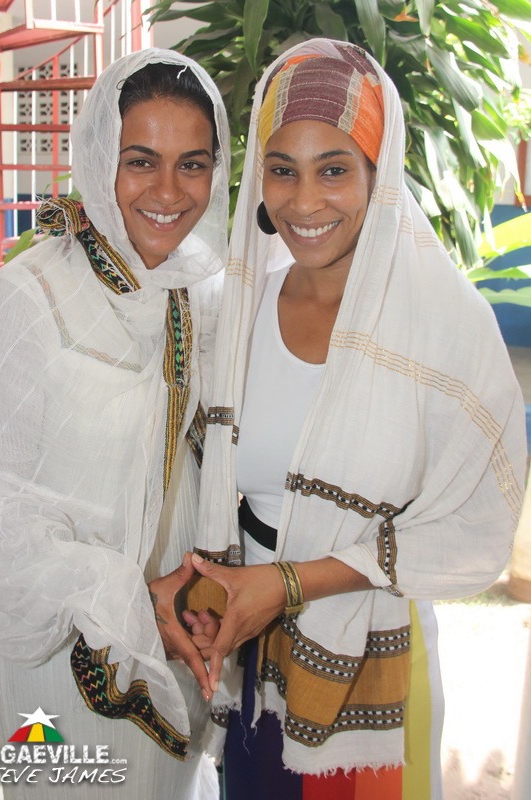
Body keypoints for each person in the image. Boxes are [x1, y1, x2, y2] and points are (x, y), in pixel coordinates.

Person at [185, 39, 527, 799]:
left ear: (379, 172)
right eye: (283, 170)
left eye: (333, 169)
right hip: (252, 657)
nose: (304, 202)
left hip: (373, 667)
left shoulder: (440, 325)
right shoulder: (237, 310)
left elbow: (472, 526)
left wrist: (291, 584)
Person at [0, 49, 229, 798]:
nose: (168, 191)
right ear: (99, 156)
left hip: (176, 646)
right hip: (66, 653)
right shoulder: (33, 295)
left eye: (192, 164)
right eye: (141, 160)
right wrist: (128, 601)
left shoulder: (200, 291)